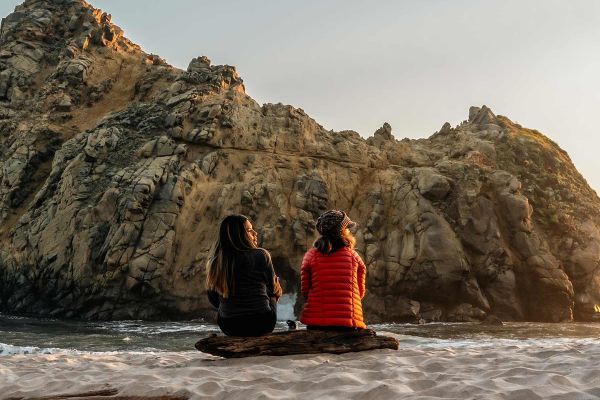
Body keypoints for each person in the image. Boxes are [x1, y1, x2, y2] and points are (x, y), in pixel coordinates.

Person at [206, 214, 283, 336]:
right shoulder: (261, 255)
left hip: (229, 326)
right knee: (275, 289)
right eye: (249, 230)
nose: (255, 233)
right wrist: (274, 296)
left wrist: (232, 306)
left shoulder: (216, 262)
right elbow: (273, 289)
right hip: (263, 324)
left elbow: (213, 298)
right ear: (238, 236)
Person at [299, 210, 367, 330]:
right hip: (347, 324)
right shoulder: (353, 256)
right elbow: (360, 293)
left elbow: (305, 291)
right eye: (347, 228)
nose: (349, 231)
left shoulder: (311, 256)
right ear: (343, 232)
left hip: (317, 324)